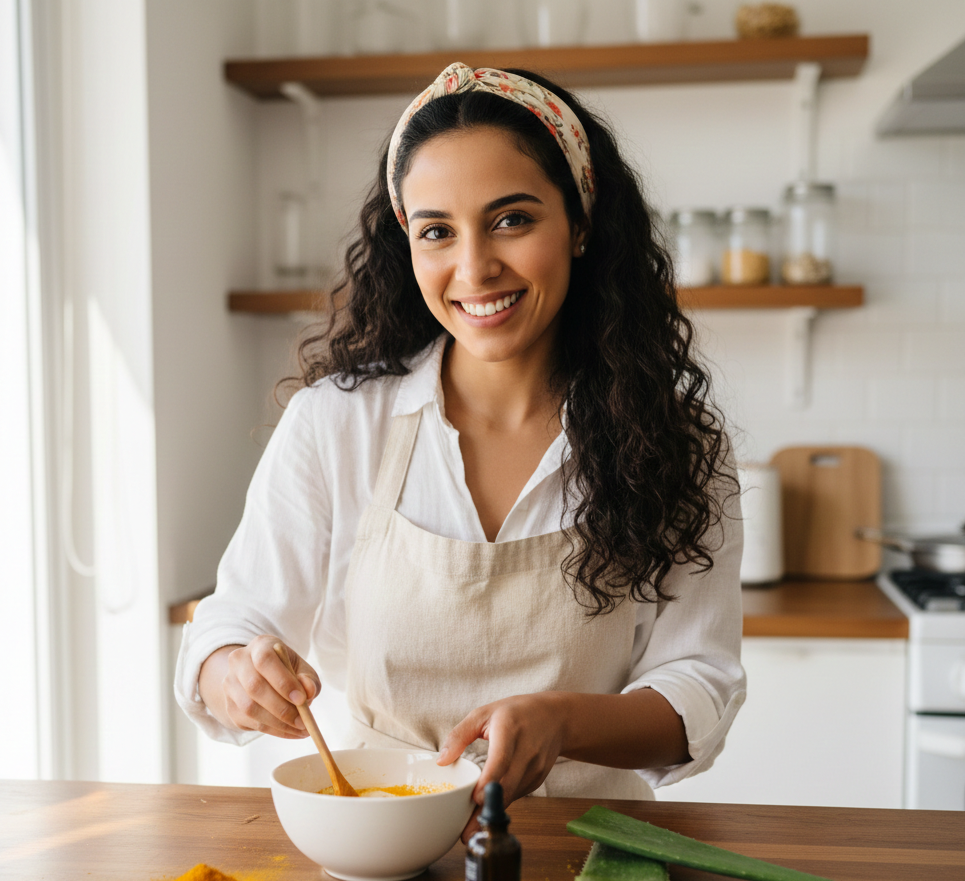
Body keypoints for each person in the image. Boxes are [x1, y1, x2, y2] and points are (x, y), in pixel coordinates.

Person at [175, 63, 745, 834]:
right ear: (406, 244)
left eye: (512, 219)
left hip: (588, 853)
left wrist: (567, 723)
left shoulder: (676, 445)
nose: (474, 269)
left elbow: (700, 685)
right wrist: (232, 672)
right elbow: (230, 623)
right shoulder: (336, 426)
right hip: (378, 843)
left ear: (580, 223)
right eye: (437, 231)